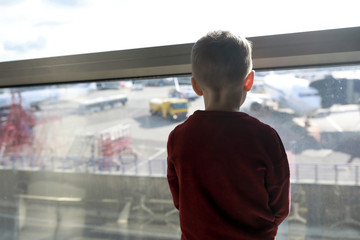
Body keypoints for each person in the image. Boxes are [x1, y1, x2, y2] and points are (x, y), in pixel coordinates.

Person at [167, 30, 290, 240]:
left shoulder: (178, 137)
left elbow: (180, 201)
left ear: (195, 85)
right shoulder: (265, 138)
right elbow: (280, 209)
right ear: (248, 81)